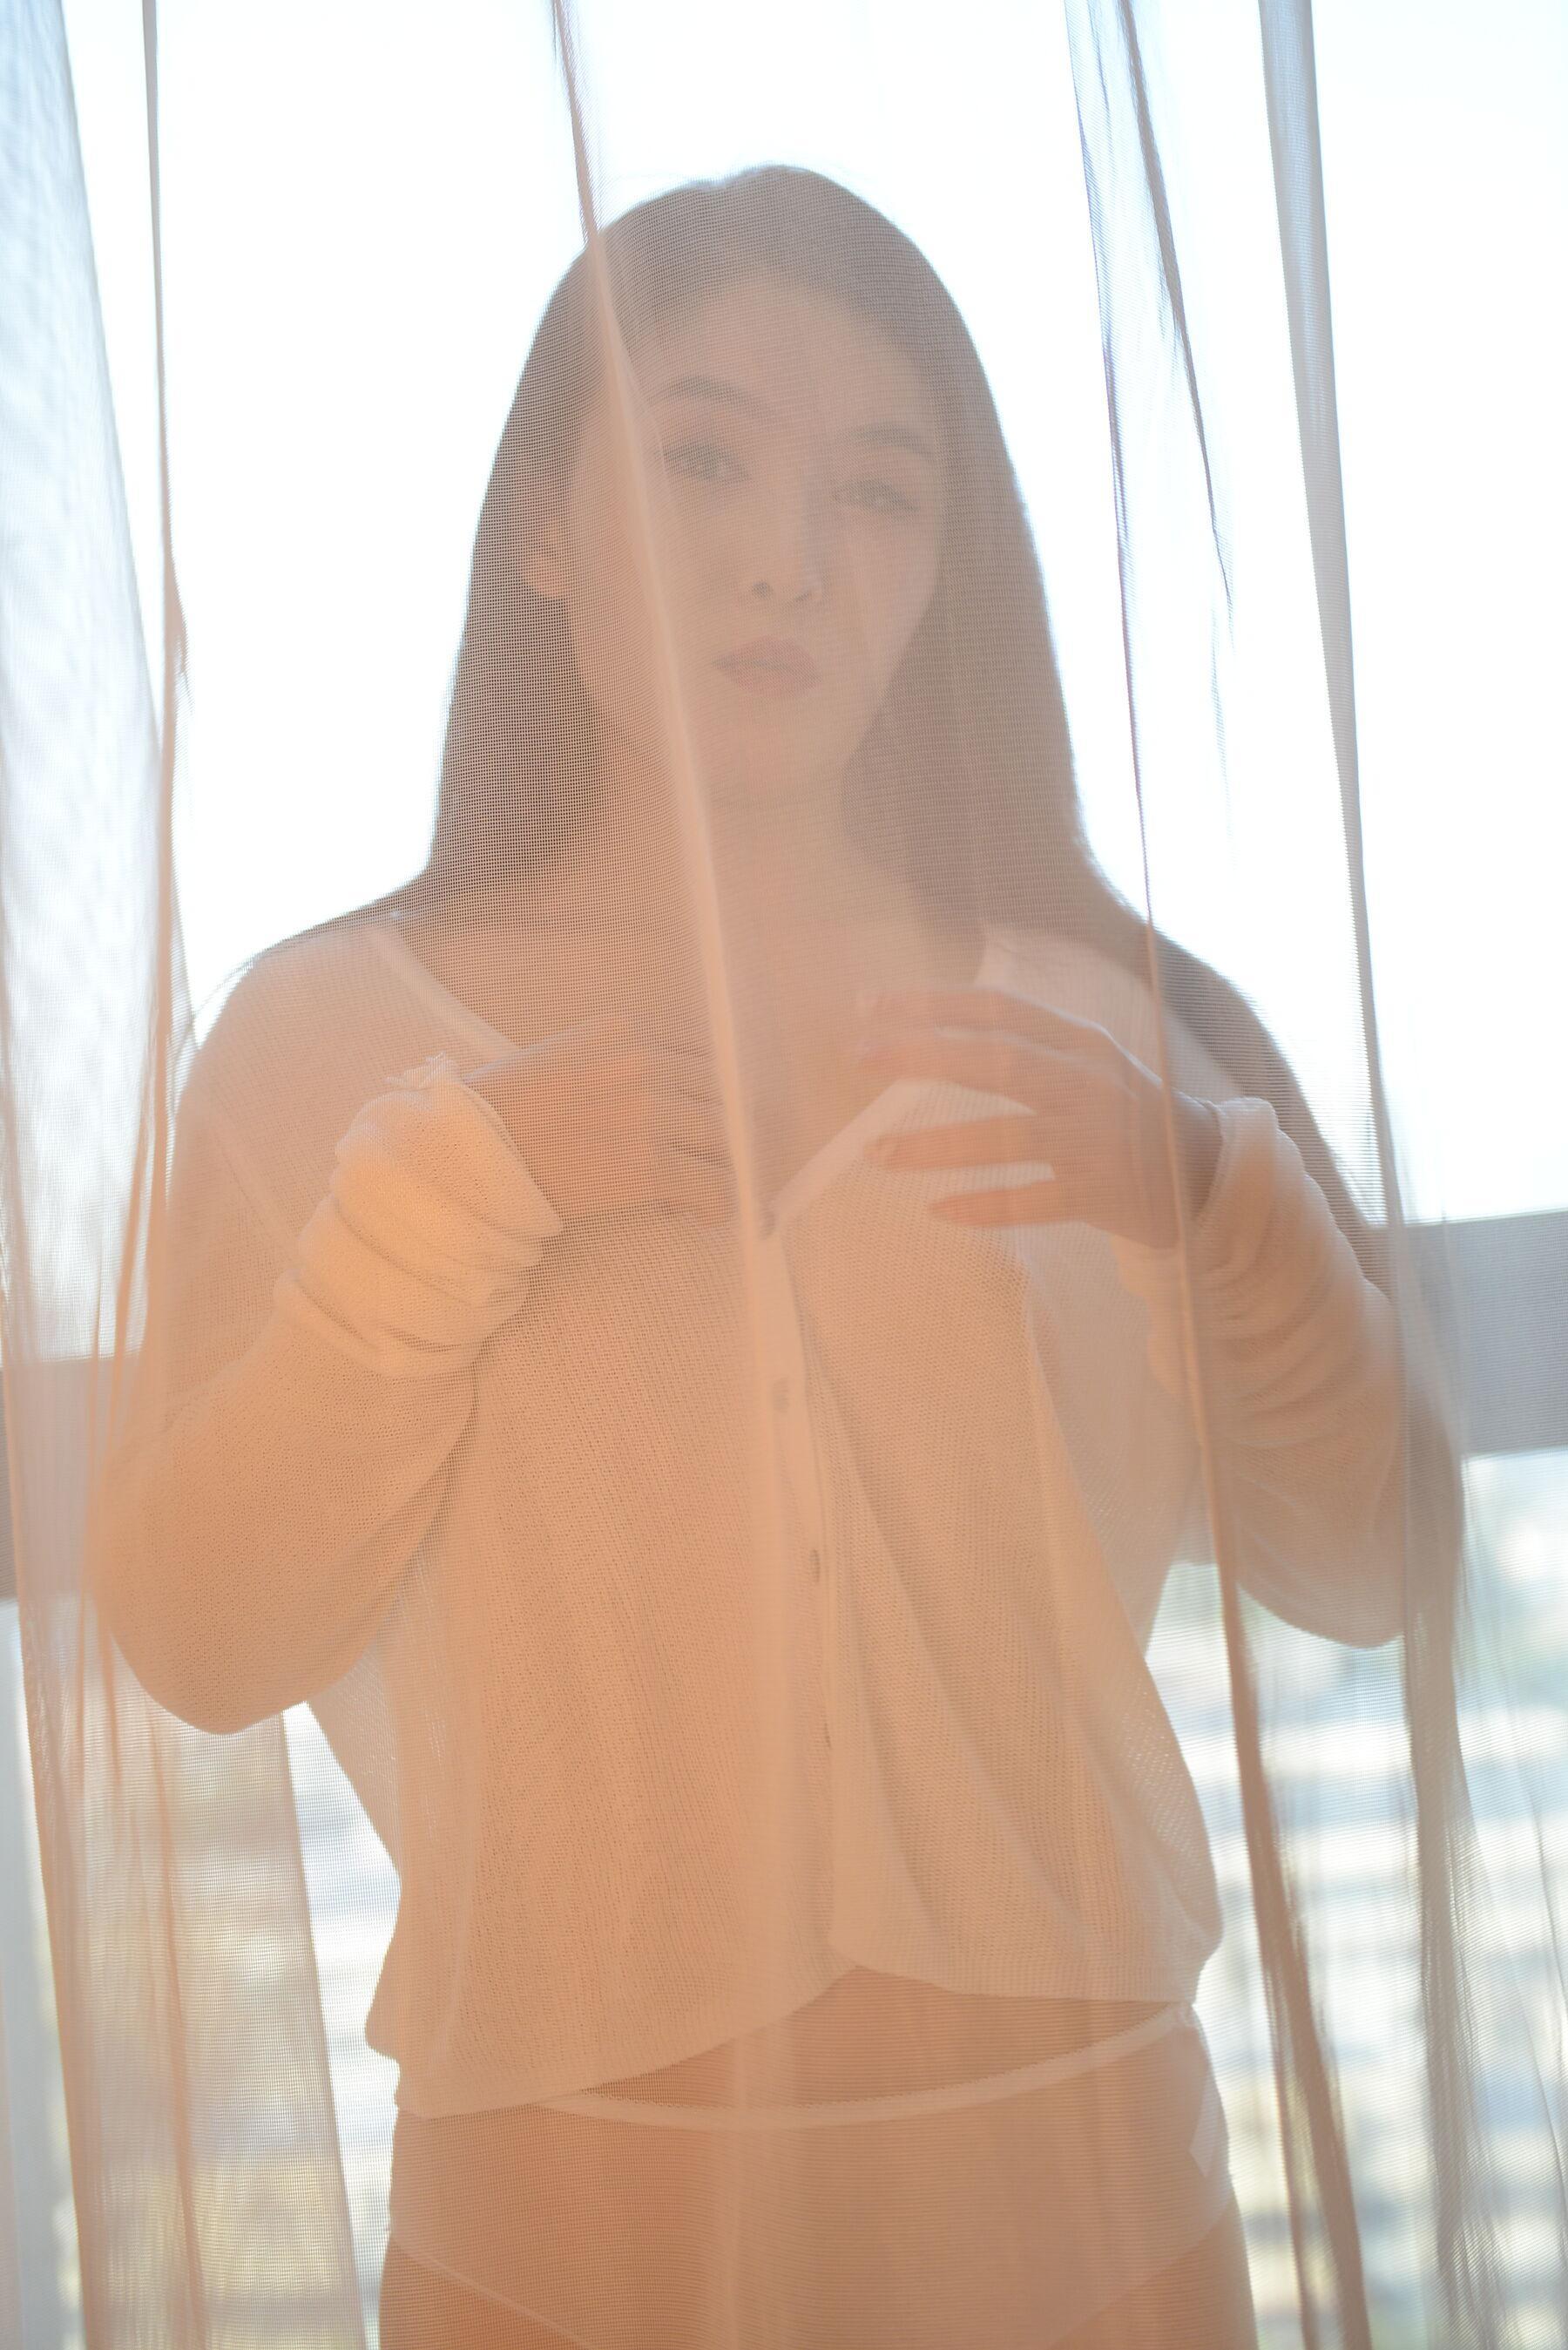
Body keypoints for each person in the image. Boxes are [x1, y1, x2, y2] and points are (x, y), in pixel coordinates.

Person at [91, 165, 1432, 2348]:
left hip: (1109, 2229)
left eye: (880, 491)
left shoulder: (1115, 1026)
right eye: (703, 457)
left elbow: (1374, 1566)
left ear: (946, 568)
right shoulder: (318, 1040)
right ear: (549, 523)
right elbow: (193, 1631)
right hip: (556, 2251)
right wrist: (461, 1193)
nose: (789, 553)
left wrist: (1215, 1205)